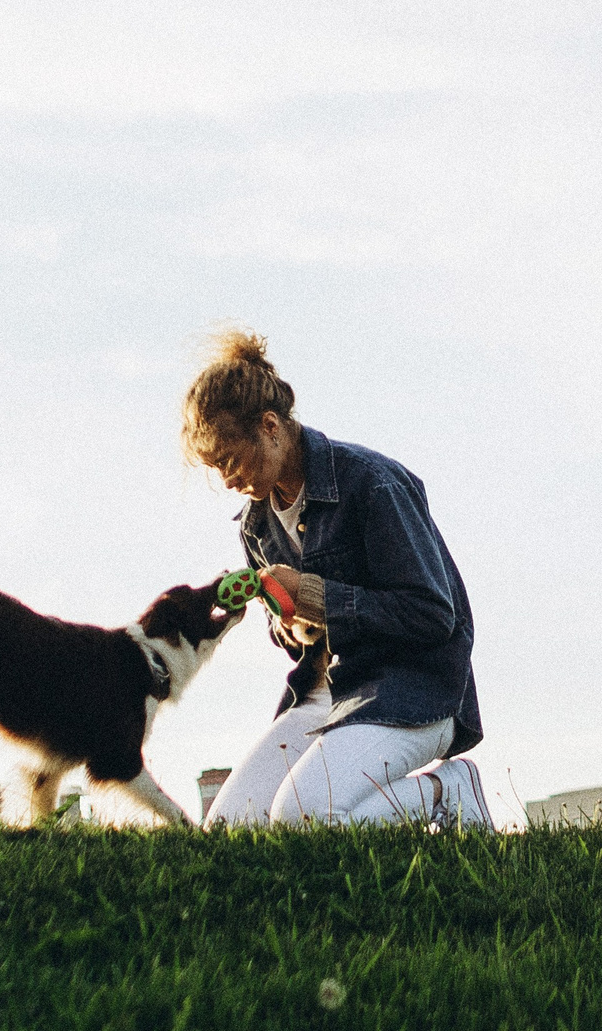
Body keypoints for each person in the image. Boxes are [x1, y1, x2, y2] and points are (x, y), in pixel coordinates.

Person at [186, 331, 493, 829]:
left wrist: (312, 595)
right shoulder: (256, 525)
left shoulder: (373, 483)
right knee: (232, 827)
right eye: (213, 467)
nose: (225, 480)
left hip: (411, 690)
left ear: (269, 427)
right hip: (328, 696)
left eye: (228, 459)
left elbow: (434, 616)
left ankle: (448, 793)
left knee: (300, 818)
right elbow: (299, 639)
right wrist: (292, 622)